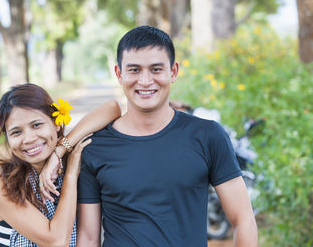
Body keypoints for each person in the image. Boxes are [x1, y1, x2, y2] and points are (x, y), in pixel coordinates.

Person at [75, 26, 258, 246]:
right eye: (134, 70)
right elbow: (88, 236)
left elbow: (243, 219)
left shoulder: (207, 135)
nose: (145, 81)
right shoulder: (95, 147)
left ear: (173, 72)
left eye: (156, 69)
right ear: (119, 74)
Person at [0, 83, 121, 246]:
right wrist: (70, 175)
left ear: (56, 123)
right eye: (16, 132)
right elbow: (56, 241)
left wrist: (60, 151)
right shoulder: (0, 186)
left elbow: (112, 108)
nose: (28, 139)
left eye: (36, 125)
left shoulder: (73, 159)